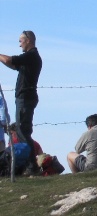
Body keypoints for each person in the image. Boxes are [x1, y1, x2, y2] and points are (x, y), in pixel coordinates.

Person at [0, 30, 43, 173]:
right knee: (23, 130)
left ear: (28, 40)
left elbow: (9, 60)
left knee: (23, 132)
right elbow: (13, 65)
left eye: (21, 41)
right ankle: (29, 165)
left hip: (25, 97)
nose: (20, 45)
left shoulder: (31, 56)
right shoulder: (29, 59)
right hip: (25, 97)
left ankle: (31, 166)